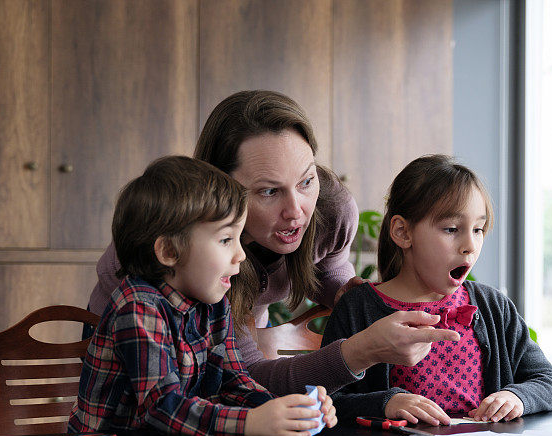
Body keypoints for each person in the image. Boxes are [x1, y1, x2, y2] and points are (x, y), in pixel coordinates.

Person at [86, 90, 458, 395]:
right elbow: (248, 379)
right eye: (268, 191)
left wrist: (347, 294)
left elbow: (327, 265)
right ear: (222, 188)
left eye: (306, 181)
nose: (296, 211)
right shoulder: (191, 254)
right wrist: (360, 351)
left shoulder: (332, 208)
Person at [69, 156, 336, 436]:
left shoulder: (214, 303)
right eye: (225, 240)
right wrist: (251, 422)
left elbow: (236, 382)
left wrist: (286, 410)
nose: (241, 255)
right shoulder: (138, 307)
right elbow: (162, 407)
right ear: (170, 252)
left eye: (238, 239)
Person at [322, 155, 552, 425]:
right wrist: (385, 403)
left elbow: (550, 381)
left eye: (478, 229)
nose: (470, 245)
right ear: (403, 232)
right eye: (451, 229)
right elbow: (327, 400)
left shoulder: (493, 306)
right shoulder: (358, 307)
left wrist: (516, 397)